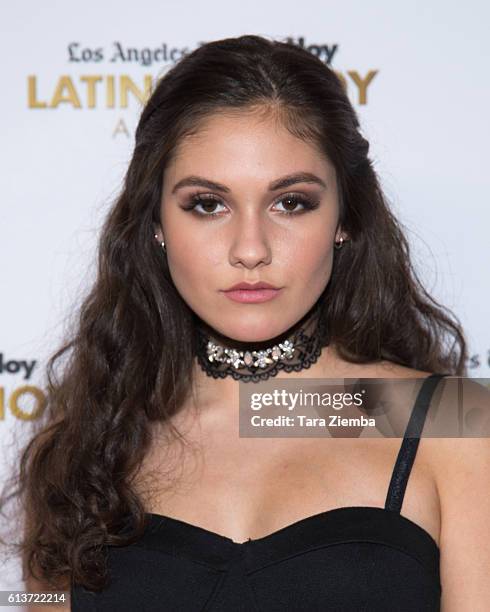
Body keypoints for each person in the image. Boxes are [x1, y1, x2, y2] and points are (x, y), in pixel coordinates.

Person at [2, 34, 489, 611]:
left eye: (291, 202)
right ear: (155, 222)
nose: (251, 248)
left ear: (346, 217)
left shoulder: (454, 425)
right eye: (208, 204)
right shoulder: (85, 450)